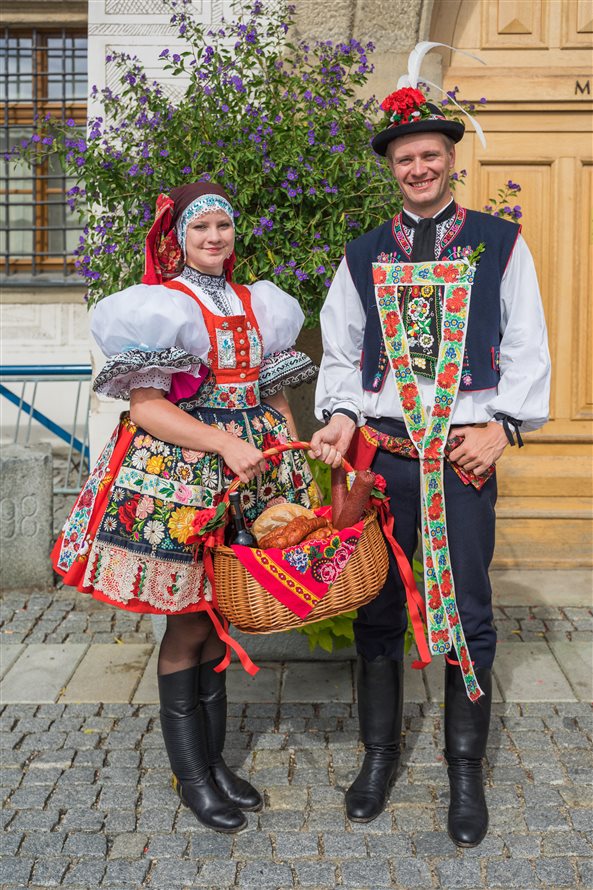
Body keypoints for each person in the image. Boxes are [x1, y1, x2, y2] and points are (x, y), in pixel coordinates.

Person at [310, 86, 550, 847]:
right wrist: (342, 413)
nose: (418, 167)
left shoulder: (497, 242)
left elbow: (525, 345)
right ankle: (378, 758)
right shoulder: (360, 253)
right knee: (378, 604)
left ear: (450, 160)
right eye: (404, 157)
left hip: (460, 457)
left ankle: (462, 769)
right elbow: (342, 349)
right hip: (384, 458)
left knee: (467, 611)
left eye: (430, 155)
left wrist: (504, 427)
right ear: (391, 168)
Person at [52, 181, 318, 834]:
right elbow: (145, 408)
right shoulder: (153, 308)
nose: (213, 238)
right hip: (180, 481)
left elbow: (273, 399)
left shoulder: (263, 304)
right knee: (188, 623)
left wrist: (290, 466)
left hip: (248, 475)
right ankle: (192, 775)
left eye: (223, 227)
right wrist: (222, 441)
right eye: (201, 228)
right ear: (177, 238)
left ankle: (214, 763)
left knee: (219, 613)